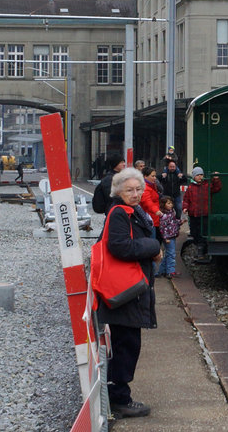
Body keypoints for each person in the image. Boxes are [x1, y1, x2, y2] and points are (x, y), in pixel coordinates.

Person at [94, 167, 160, 419]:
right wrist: (153, 246)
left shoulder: (132, 212)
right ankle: (119, 398)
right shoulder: (120, 213)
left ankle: (117, 394)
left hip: (128, 292)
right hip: (124, 293)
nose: (135, 194)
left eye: (138, 189)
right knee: (126, 345)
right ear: (118, 191)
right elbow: (120, 246)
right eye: (129, 190)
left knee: (127, 344)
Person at [183, 166, 222, 262]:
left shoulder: (207, 186)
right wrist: (185, 207)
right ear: (194, 177)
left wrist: (216, 179)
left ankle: (201, 250)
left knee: (203, 232)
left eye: (201, 175)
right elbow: (186, 199)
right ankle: (200, 247)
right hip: (194, 214)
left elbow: (217, 188)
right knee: (194, 232)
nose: (200, 177)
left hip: (204, 213)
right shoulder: (191, 187)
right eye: (198, 175)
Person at [155, 195, 180, 278]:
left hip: (172, 235)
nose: (171, 205)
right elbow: (163, 228)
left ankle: (162, 271)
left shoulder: (171, 212)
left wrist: (180, 222)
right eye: (168, 203)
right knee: (171, 253)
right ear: (163, 205)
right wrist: (166, 238)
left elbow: (173, 222)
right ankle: (170, 271)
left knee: (168, 253)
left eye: (171, 203)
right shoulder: (164, 216)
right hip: (169, 237)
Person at [158, 154, 185, 219]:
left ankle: (177, 220)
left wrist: (182, 177)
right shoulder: (165, 172)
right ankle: (166, 221)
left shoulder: (177, 173)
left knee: (179, 208)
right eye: (171, 167)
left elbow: (185, 180)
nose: (172, 168)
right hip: (166, 195)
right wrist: (162, 176)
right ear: (168, 167)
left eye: (173, 167)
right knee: (165, 210)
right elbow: (158, 179)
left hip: (176, 195)